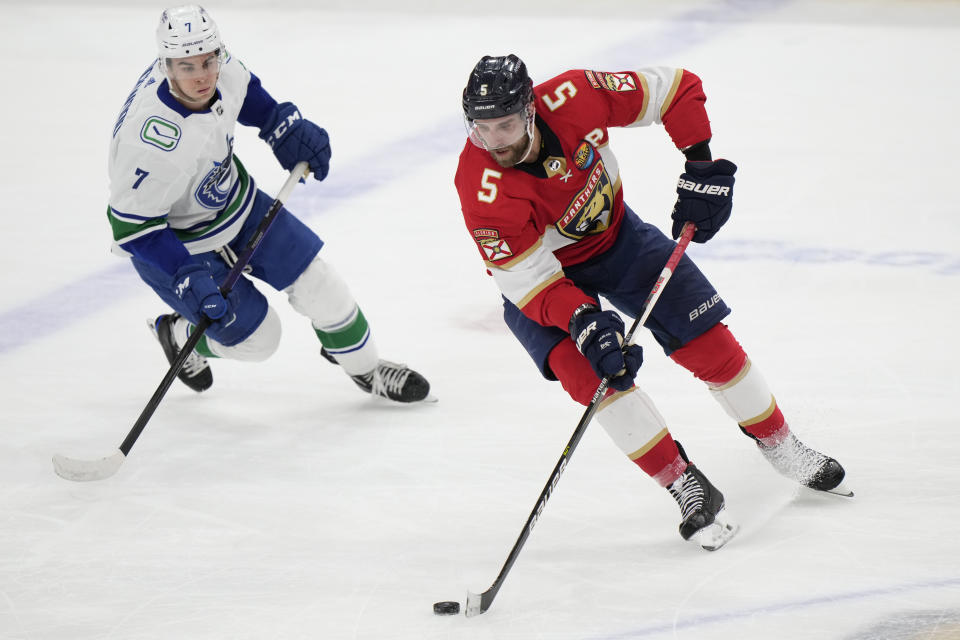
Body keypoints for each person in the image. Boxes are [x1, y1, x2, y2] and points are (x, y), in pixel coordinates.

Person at [454, 54, 848, 549]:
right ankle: (682, 480)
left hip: (619, 240)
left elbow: (676, 88)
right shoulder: (480, 186)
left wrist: (701, 164)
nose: (493, 141)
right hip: (545, 285)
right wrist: (582, 320)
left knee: (710, 344)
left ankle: (782, 446)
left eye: (505, 125)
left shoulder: (574, 96)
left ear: (531, 110)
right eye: (481, 128)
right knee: (595, 377)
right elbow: (525, 278)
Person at [107, 5, 430, 403]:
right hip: (179, 246)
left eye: (209, 60)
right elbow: (133, 228)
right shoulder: (151, 143)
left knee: (323, 287)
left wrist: (279, 124)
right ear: (166, 65)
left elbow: (248, 92)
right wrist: (184, 273)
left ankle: (366, 370)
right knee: (260, 341)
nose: (204, 75)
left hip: (235, 205)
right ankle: (179, 335)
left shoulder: (217, 65)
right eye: (189, 68)